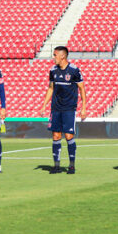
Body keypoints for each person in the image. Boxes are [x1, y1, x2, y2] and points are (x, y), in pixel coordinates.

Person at [39, 46, 87, 174]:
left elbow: (82, 88)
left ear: (62, 56)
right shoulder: (53, 70)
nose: (53, 57)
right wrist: (44, 105)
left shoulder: (74, 70)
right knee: (56, 136)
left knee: (69, 136)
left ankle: (71, 165)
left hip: (69, 109)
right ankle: (56, 165)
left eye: (55, 55)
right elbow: (51, 88)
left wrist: (84, 108)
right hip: (55, 109)